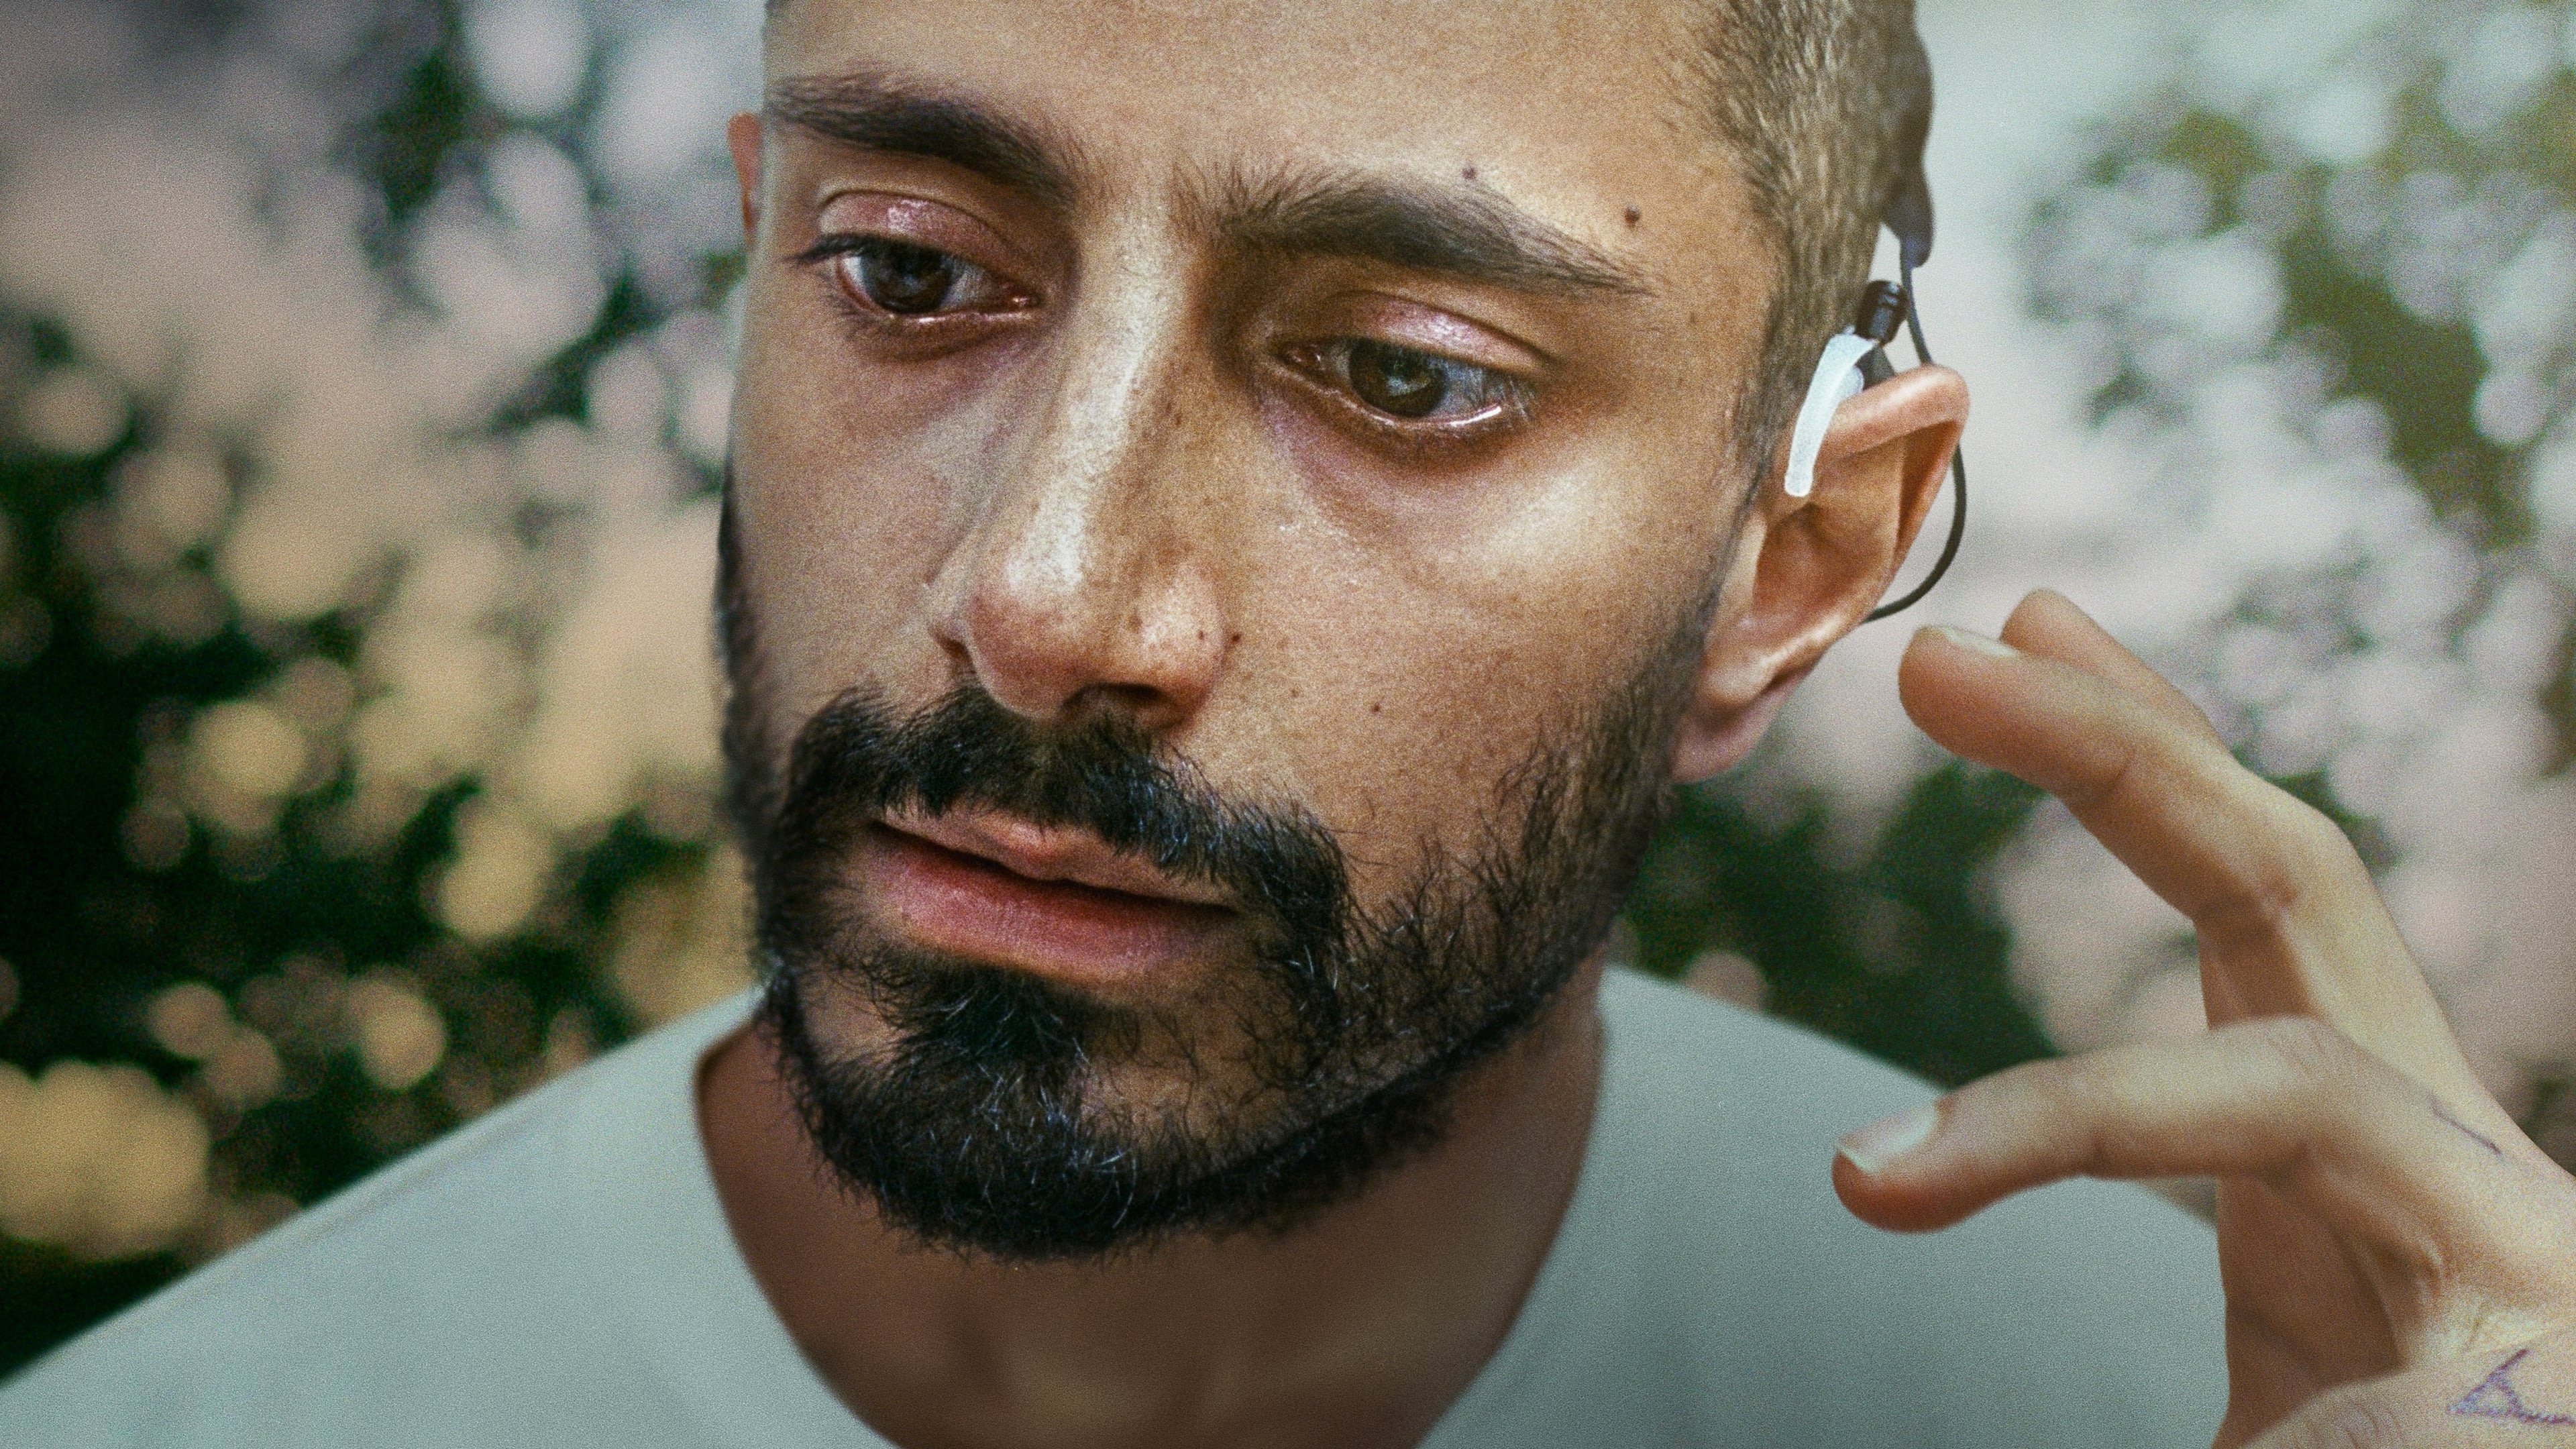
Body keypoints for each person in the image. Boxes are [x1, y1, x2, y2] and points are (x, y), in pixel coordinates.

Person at [11, 0, 2576, 1444]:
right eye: (904, 275)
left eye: (1405, 373)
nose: (1045, 599)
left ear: (1787, 567)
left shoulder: (2197, 1412)